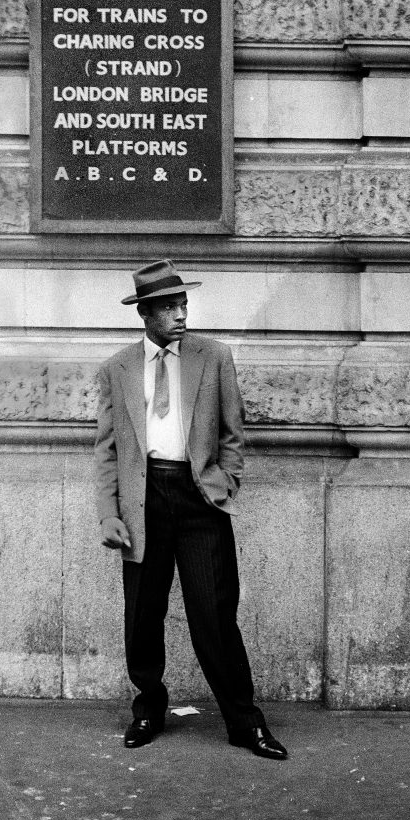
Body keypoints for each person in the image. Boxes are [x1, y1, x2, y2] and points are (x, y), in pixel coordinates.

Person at [95, 259, 288, 760]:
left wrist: (223, 482)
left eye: (183, 304)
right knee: (142, 614)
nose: (181, 314)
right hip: (143, 501)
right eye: (168, 307)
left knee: (214, 615)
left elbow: (233, 432)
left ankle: (245, 722)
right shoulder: (117, 368)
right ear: (146, 314)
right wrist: (109, 513)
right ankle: (148, 708)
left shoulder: (213, 356)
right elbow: (108, 448)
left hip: (199, 498)